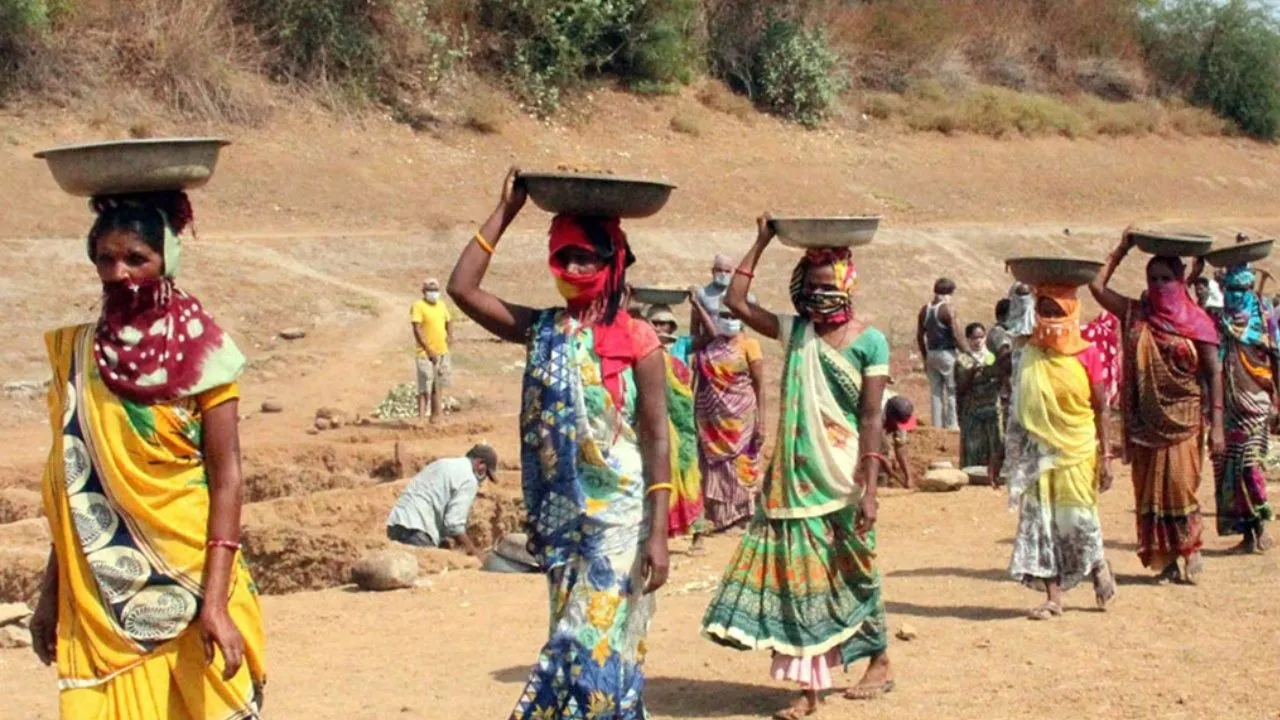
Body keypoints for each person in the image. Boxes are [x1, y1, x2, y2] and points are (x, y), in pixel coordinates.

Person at [27, 191, 266, 718]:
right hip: (97, 604)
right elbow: (76, 488)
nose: (120, 273)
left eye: (136, 258)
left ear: (166, 260)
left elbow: (227, 478)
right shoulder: (76, 357)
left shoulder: (206, 355)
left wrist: (215, 604)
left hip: (190, 583)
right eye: (106, 259)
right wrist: (51, 592)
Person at [447, 169, 670, 718]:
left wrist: (659, 532)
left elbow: (657, 436)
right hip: (565, 518)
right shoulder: (543, 330)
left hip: (621, 518)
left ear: (612, 261)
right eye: (563, 256)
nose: (572, 268)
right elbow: (462, 289)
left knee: (591, 646)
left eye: (585, 257)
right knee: (577, 641)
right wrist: (507, 211)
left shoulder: (639, 340)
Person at [702, 216, 894, 719]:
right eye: (810, 286)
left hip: (844, 476)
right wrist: (762, 239)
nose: (818, 295)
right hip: (795, 479)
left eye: (828, 286)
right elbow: (735, 301)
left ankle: (878, 659)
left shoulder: (871, 342)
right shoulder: (797, 332)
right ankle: (809, 687)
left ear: (847, 285)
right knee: (800, 577)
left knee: (855, 569)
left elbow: (871, 416)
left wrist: (871, 488)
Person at [1090, 235, 1223, 583]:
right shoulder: (1137, 314)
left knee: (1180, 485)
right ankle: (1165, 561)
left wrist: (1218, 425)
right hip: (1145, 424)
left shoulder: (1197, 322)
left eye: (1166, 278)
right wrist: (1122, 249)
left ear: (1179, 281)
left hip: (1185, 419)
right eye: (1153, 278)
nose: (1160, 284)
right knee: (1149, 492)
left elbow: (1213, 373)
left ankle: (1190, 548)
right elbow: (1096, 286)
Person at [1006, 283, 1117, 620]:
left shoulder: (1087, 353)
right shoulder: (1030, 354)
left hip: (1078, 449)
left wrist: (1107, 455)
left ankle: (1096, 563)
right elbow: (1017, 406)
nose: (1051, 319)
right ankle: (1054, 597)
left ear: (1072, 312)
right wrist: (1006, 452)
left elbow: (1101, 407)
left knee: (1077, 519)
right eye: (1045, 310)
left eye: (1058, 312)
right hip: (1038, 452)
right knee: (1041, 523)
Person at [688, 288, 765, 534]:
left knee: (740, 464)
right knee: (714, 467)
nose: (729, 320)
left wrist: (762, 422)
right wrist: (696, 308)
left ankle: (743, 516)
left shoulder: (750, 346)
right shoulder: (710, 344)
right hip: (710, 420)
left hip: (741, 418)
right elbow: (695, 339)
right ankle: (720, 517)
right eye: (724, 315)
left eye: (734, 316)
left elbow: (759, 386)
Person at [1214, 264, 1275, 553]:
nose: (1236, 296)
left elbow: (1275, 362)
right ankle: (1247, 534)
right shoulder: (1220, 326)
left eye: (1242, 290)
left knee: (1250, 467)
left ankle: (1262, 526)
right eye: (1231, 290)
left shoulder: (1260, 328)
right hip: (1230, 409)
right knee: (1231, 474)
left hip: (1257, 408)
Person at [645, 304, 707, 551]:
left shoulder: (681, 346)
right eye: (656, 322)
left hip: (681, 421)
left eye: (665, 323)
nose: (661, 327)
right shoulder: (643, 347)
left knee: (688, 470)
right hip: (654, 419)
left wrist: (697, 306)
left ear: (672, 326)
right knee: (656, 473)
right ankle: (659, 530)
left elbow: (711, 335)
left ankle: (698, 531)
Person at [385, 445, 498, 555]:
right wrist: (476, 555)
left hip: (396, 523)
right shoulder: (469, 479)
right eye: (486, 474)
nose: (484, 479)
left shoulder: (443, 463)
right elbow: (454, 526)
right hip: (417, 530)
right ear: (480, 464)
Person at [917, 277, 966, 430]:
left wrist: (925, 357)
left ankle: (937, 426)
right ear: (949, 293)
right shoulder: (947, 309)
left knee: (936, 392)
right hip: (947, 353)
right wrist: (968, 352)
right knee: (951, 390)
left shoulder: (925, 310)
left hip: (931, 353)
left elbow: (920, 336)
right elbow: (957, 335)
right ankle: (952, 426)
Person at [956, 322, 1002, 469]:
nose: (978, 341)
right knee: (973, 446)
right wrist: (972, 373)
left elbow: (999, 378)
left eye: (981, 337)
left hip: (991, 407)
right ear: (968, 339)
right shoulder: (964, 359)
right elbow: (961, 387)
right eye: (974, 338)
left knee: (994, 444)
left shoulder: (991, 357)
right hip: (972, 409)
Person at [410, 277, 453, 422]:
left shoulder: (441, 305)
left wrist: (450, 336)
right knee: (424, 386)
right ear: (423, 291)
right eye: (430, 290)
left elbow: (448, 320)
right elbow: (417, 329)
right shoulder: (418, 306)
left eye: (435, 290)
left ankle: (436, 416)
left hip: (442, 351)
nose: (433, 292)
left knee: (438, 385)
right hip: (425, 353)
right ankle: (421, 418)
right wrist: (428, 349)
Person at [1081, 310, 1122, 409]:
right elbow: (1113, 360)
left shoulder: (1086, 329)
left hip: (1086, 373)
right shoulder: (1111, 336)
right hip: (1102, 374)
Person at [880, 393, 918, 489]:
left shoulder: (900, 408)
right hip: (859, 423)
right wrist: (885, 458)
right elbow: (875, 441)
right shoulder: (876, 414)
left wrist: (909, 477)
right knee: (882, 458)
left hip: (887, 417)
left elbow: (901, 445)